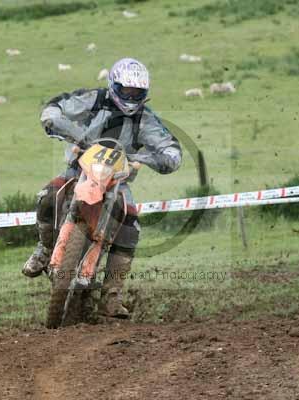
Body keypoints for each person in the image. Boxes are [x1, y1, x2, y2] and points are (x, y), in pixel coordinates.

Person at [22, 58, 182, 317]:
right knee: (49, 196)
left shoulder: (145, 119)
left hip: (117, 181)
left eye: (136, 92)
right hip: (79, 169)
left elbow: (172, 150)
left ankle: (112, 296)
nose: (130, 96)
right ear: (114, 86)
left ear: (144, 93)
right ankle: (44, 249)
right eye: (126, 90)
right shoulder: (94, 100)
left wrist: (148, 159)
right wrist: (60, 125)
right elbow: (55, 107)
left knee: (130, 227)